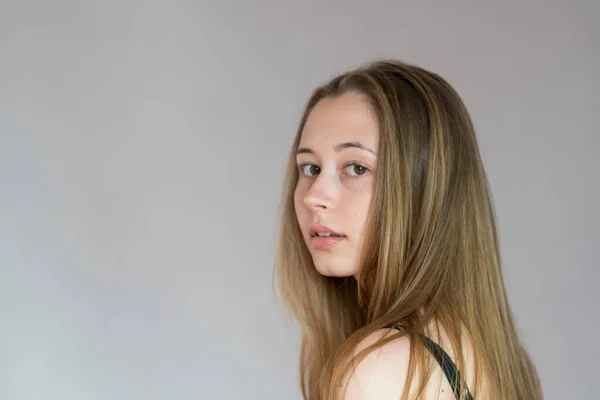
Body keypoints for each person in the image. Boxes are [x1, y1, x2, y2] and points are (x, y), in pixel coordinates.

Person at [274, 59, 542, 400]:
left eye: (356, 167)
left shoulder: (383, 370)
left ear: (423, 190)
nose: (314, 196)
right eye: (310, 167)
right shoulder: (493, 356)